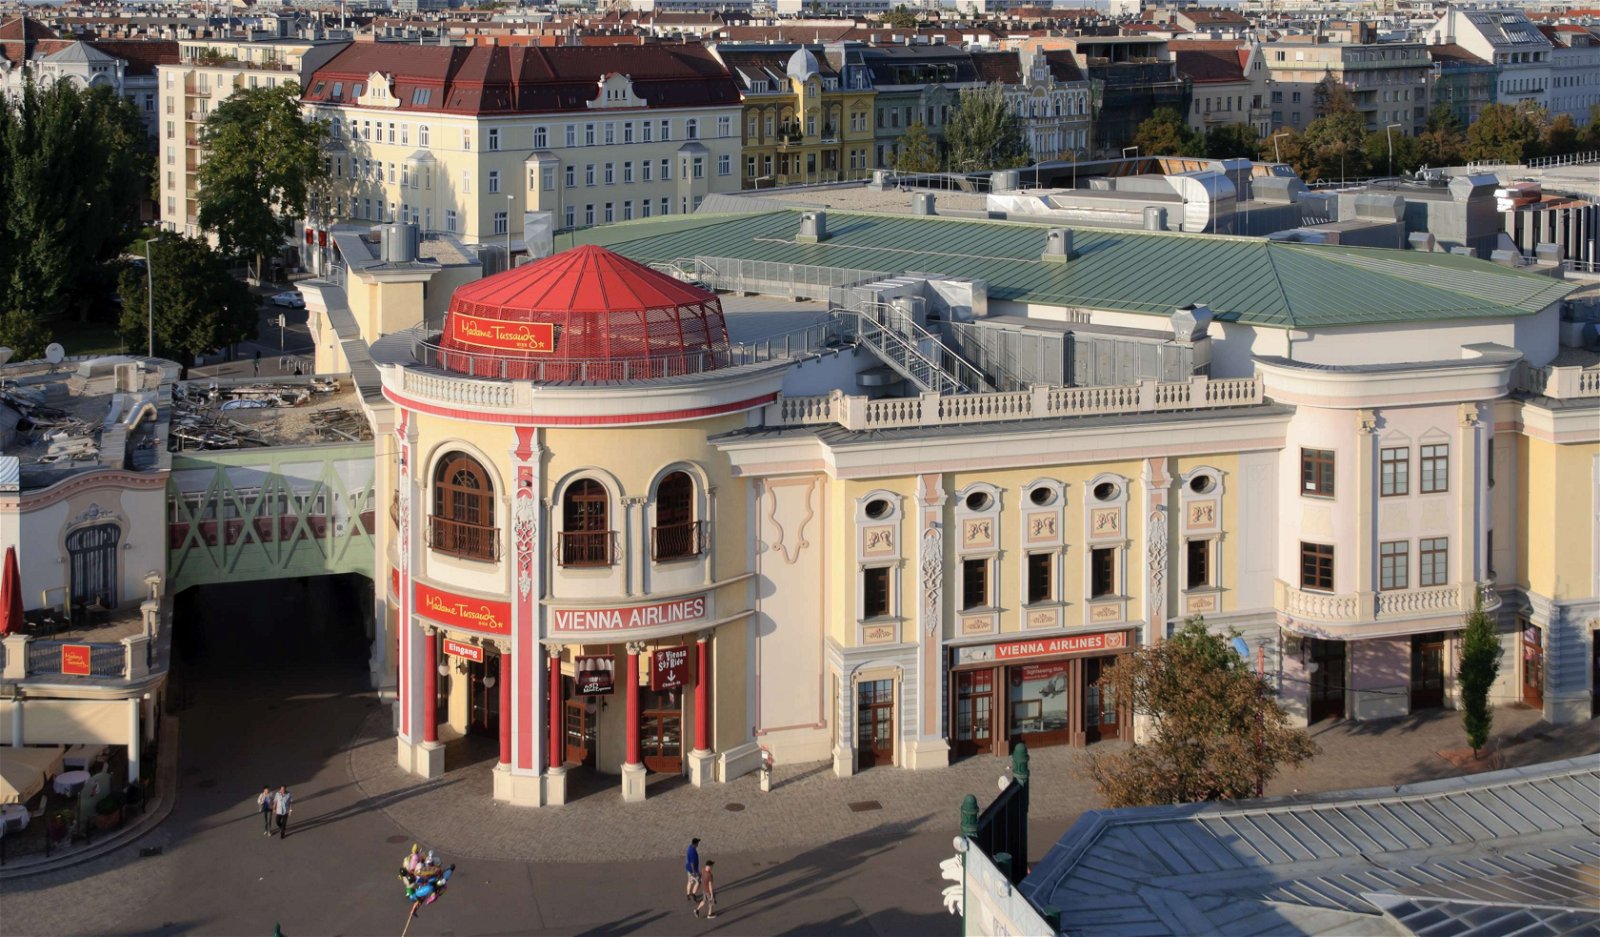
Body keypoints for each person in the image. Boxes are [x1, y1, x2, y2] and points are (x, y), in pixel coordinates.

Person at [685, 837, 702, 905]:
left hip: (688, 868)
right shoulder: (693, 852)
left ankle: (688, 894)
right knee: (698, 881)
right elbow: (692, 863)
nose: (698, 844)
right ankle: (693, 894)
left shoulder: (689, 847)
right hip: (693, 870)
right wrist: (694, 872)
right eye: (697, 843)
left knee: (690, 881)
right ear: (695, 844)